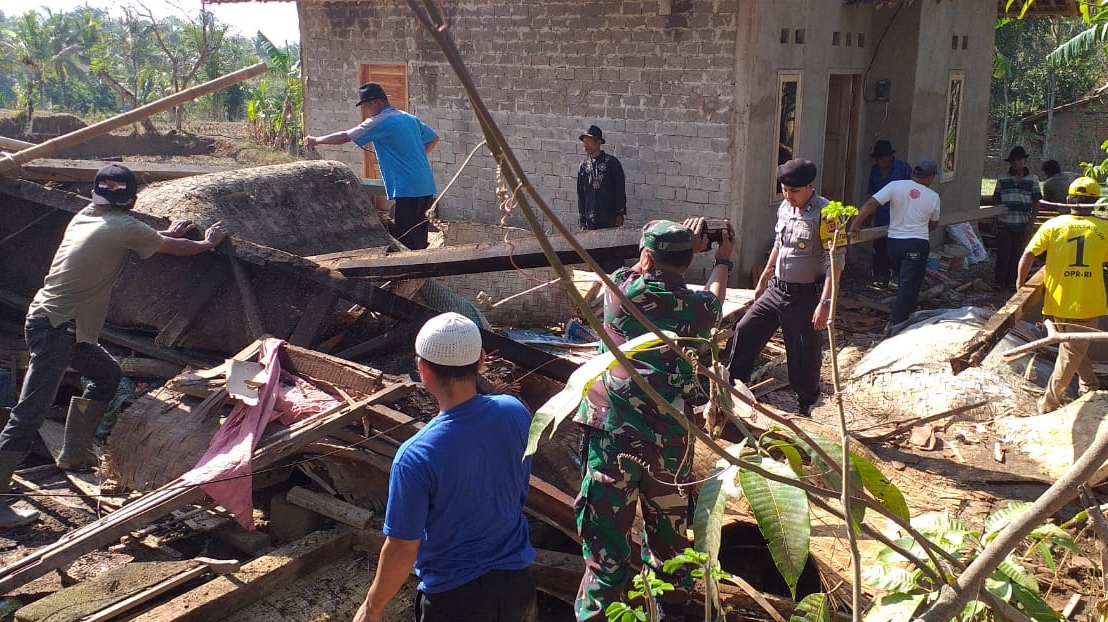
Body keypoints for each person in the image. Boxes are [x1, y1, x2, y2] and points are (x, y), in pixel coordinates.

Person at [0, 164, 228, 528]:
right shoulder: (124, 227)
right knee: (29, 413)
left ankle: (73, 454)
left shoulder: (87, 215)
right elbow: (175, 248)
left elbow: (141, 237)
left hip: (58, 323)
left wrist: (163, 235)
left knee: (106, 375)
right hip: (58, 328)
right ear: (131, 199)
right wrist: (206, 244)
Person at [574, 218, 734, 621]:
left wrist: (679, 246)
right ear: (687, 260)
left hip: (613, 442)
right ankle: (671, 612)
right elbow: (715, 298)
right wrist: (722, 259)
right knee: (670, 542)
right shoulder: (699, 311)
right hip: (670, 444)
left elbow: (639, 271)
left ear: (646, 256)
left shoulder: (621, 294)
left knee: (606, 549)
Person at [353, 312, 537, 622]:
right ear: (480, 361)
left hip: (454, 601)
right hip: (518, 585)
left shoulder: (415, 455)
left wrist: (372, 609)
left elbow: (401, 548)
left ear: (422, 369)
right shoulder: (515, 411)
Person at [727, 158, 839, 416]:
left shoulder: (829, 214)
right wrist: (765, 276)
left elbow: (835, 262)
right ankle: (733, 387)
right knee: (745, 330)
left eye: (794, 191)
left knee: (802, 353)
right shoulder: (785, 208)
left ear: (811, 185)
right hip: (777, 289)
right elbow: (779, 243)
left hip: (805, 296)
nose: (788, 196)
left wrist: (825, 303)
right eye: (784, 190)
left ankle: (805, 405)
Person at [1015, 177, 1108, 413]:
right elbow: (1106, 258)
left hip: (1057, 300)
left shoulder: (1053, 225)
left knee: (1072, 348)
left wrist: (1021, 284)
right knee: (1072, 351)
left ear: (1068, 199)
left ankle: (1086, 386)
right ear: (1096, 202)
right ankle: (1050, 403)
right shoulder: (1104, 228)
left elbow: (1028, 254)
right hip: (1087, 303)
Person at [305, 82, 439, 251]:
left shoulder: (380, 121)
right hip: (425, 185)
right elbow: (433, 138)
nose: (367, 110)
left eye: (367, 106)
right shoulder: (408, 118)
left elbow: (345, 136)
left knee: (406, 240)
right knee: (419, 235)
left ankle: (408, 273)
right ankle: (422, 270)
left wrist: (316, 140)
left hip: (407, 188)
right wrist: (413, 158)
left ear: (376, 102)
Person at [850, 159, 941, 335]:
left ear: (914, 174)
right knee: (909, 285)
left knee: (904, 282)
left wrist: (856, 225)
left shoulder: (894, 186)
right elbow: (933, 225)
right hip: (917, 243)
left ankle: (908, 315)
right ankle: (895, 324)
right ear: (930, 177)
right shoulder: (933, 197)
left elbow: (870, 204)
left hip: (894, 243)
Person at [992, 146, 1042, 290]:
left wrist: (1031, 222)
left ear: (1024, 161)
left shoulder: (1032, 179)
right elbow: (996, 199)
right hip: (1004, 221)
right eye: (1013, 161)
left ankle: (1013, 281)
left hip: (1022, 222)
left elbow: (1036, 201)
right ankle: (999, 281)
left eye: (1019, 160)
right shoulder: (1003, 178)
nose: (1016, 163)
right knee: (1003, 253)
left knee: (1017, 253)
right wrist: (995, 219)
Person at [864, 140, 913, 287]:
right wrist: (868, 217)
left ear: (890, 156)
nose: (881, 161)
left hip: (899, 216)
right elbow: (873, 196)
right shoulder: (874, 170)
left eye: (884, 157)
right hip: (881, 215)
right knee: (879, 249)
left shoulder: (903, 169)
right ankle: (880, 277)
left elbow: (912, 193)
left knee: (897, 249)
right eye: (878, 158)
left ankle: (899, 278)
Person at [577, 124, 627, 231]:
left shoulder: (611, 163)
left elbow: (619, 189)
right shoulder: (583, 166)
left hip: (609, 217)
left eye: (589, 141)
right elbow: (581, 193)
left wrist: (620, 213)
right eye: (584, 142)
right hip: (590, 218)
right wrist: (582, 218)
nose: (586, 145)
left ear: (598, 142)